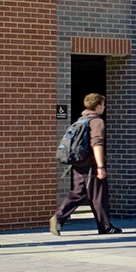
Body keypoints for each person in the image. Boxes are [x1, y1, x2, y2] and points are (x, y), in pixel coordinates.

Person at [51, 93, 122, 237]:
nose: (104, 107)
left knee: (77, 193)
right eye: (103, 104)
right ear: (97, 106)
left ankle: (59, 217)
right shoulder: (96, 122)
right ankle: (105, 227)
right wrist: (100, 166)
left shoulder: (81, 120)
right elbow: (97, 144)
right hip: (91, 165)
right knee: (98, 196)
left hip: (78, 163)